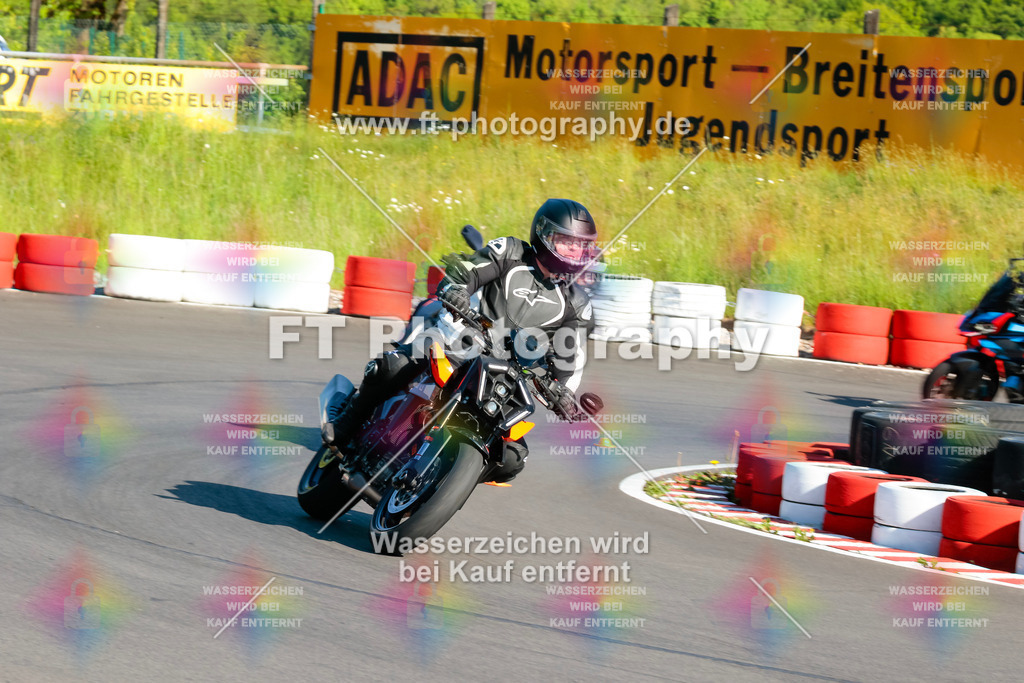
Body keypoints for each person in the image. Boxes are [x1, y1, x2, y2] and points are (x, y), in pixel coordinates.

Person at [329, 198, 599, 482]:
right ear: (544, 235)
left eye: (581, 244)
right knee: (392, 367)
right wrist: (456, 289)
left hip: (506, 379)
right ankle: (347, 423)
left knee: (511, 459)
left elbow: (571, 357)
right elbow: (469, 270)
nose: (575, 250)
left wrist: (566, 395)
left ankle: (441, 481)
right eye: (567, 241)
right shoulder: (511, 252)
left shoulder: (578, 305)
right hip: (459, 342)